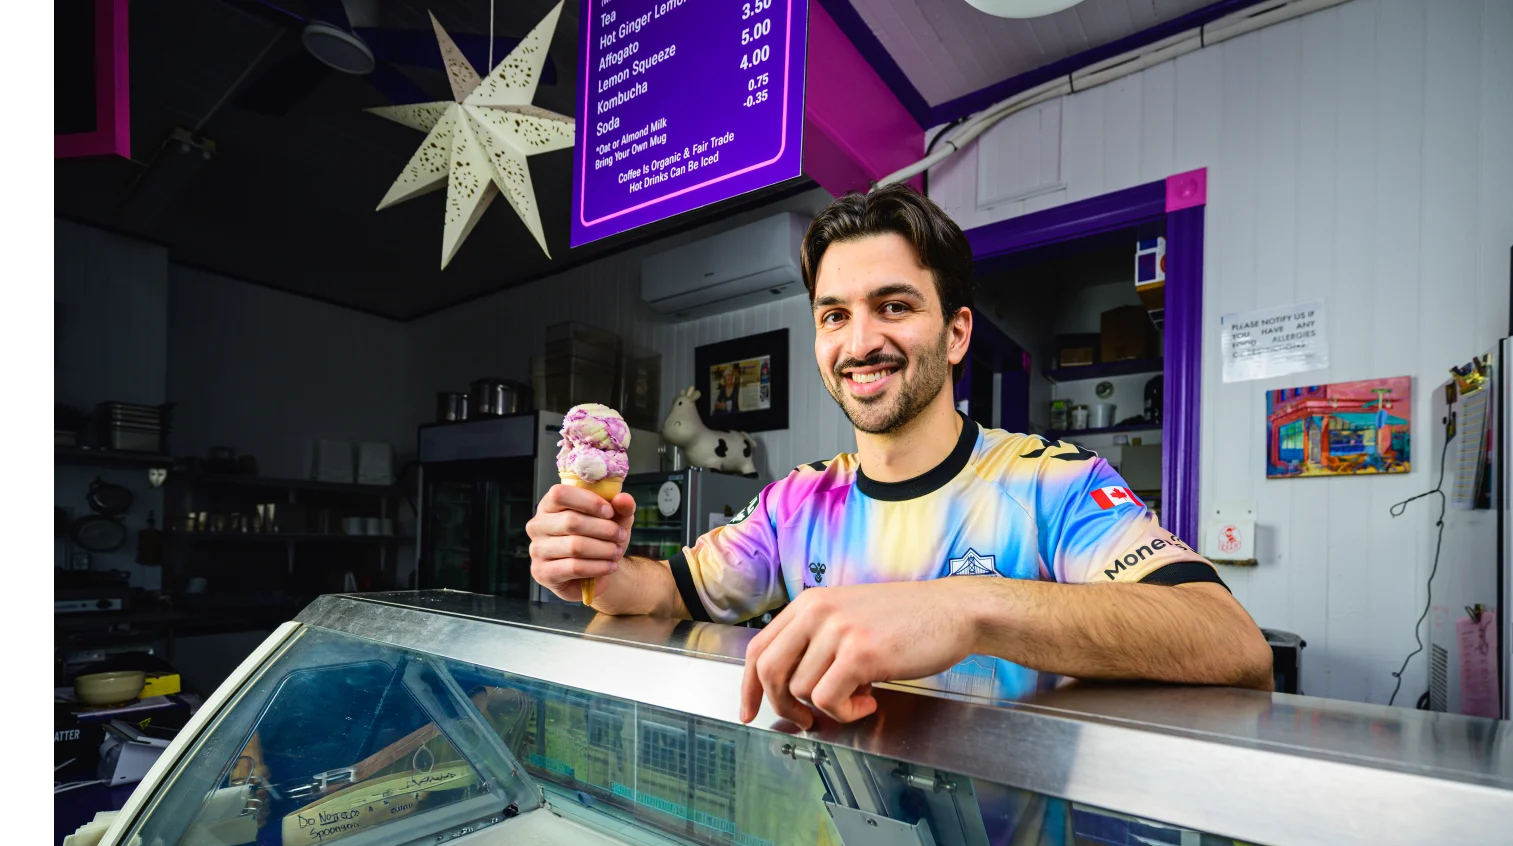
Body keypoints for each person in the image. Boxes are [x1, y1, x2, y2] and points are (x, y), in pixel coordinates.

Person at [527, 184, 1275, 727]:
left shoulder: (1054, 482)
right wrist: (595, 565)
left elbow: (1232, 643)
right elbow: (664, 594)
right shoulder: (794, 503)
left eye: (894, 306)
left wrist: (966, 608)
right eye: (834, 315)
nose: (860, 343)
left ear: (956, 334)